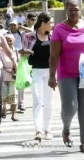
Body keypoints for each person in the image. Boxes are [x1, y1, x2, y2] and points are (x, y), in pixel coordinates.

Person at [48, 0, 84, 153]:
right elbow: (54, 54)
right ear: (66, 10)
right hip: (66, 73)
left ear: (80, 10)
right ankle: (66, 129)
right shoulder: (59, 28)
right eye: (70, 9)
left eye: (76, 9)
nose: (73, 12)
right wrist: (52, 76)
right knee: (70, 107)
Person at [23, 12, 55, 141]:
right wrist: (25, 53)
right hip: (34, 71)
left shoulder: (53, 37)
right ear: (43, 23)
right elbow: (23, 54)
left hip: (50, 72)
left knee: (48, 102)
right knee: (37, 100)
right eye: (51, 23)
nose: (53, 25)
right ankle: (38, 130)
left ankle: (47, 129)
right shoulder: (29, 36)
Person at [0, 33, 19, 121]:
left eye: (10, 40)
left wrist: (14, 71)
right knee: (4, 97)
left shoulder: (16, 50)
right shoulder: (0, 50)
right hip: (3, 76)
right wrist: (7, 70)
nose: (9, 42)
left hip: (13, 76)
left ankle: (13, 115)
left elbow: (19, 62)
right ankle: (3, 112)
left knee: (14, 96)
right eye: (7, 41)